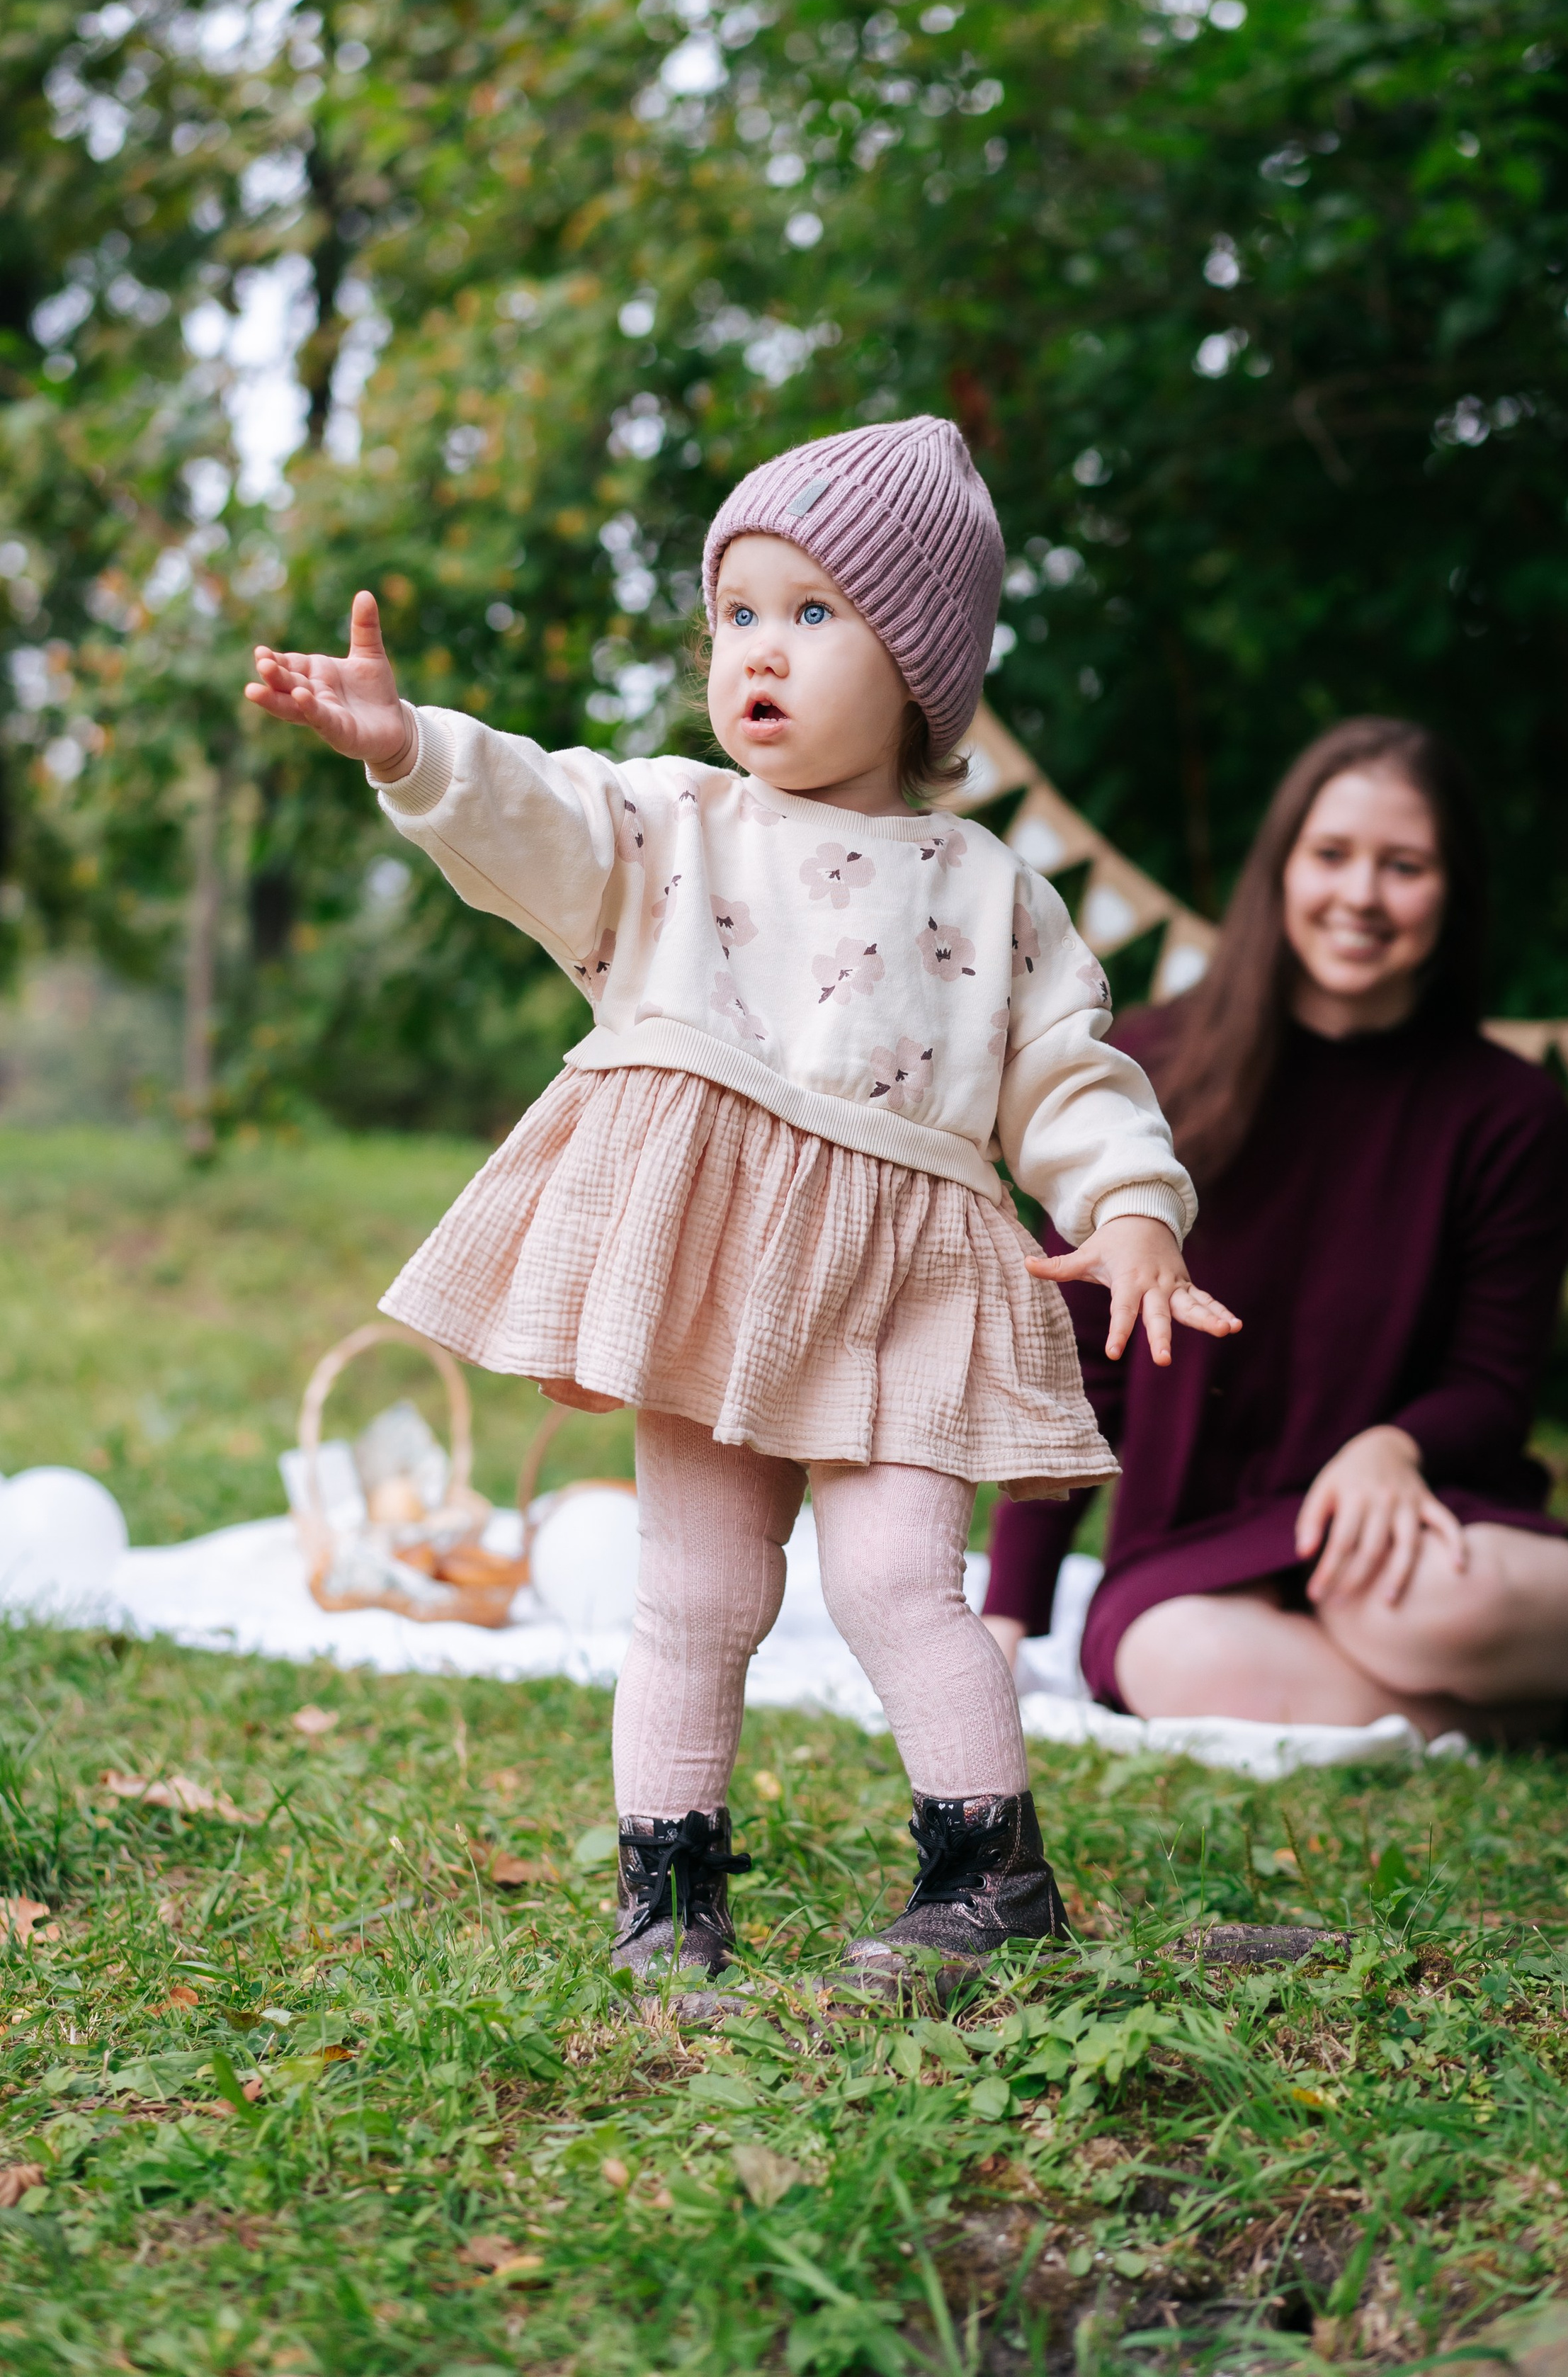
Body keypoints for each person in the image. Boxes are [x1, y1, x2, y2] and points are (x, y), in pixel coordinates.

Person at [246, 415, 1239, 1980]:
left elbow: (1067, 1074)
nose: (757, 651)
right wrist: (408, 745)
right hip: (711, 1262)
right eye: (736, 613)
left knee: (896, 1577)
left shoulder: (991, 891)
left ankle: (991, 1876)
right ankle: (668, 1892)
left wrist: (1128, 1209)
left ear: (919, 663)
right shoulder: (673, 827)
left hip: (904, 1280)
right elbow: (536, 810)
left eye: (813, 612)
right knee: (695, 1588)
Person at [982, 717, 1568, 1779]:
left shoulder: (1508, 1112)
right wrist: (1011, 1614)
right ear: (1281, 869)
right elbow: (1078, 1371)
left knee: (1419, 1605)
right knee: (1172, 1662)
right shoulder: (1146, 1071)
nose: (1361, 895)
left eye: (1404, 865)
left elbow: (1492, 1383)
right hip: (1193, 1543)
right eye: (1331, 855)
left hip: (1413, 1516)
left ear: (1453, 890)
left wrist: (1399, 1446)